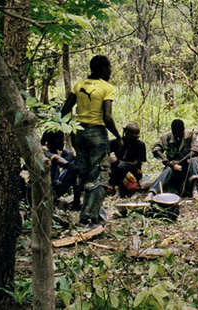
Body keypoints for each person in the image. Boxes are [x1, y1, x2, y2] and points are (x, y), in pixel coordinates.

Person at [62, 55, 123, 227]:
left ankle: (97, 217)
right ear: (103, 68)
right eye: (109, 67)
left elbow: (66, 109)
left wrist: (72, 129)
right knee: (100, 177)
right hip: (97, 132)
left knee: (87, 174)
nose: (111, 70)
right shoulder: (106, 87)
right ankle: (86, 217)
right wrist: (118, 137)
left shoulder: (79, 85)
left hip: (79, 133)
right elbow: (107, 117)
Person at [145, 119, 198, 200]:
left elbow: (195, 151)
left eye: (179, 133)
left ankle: (195, 191)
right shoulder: (167, 136)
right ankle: (152, 192)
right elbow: (156, 148)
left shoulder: (190, 136)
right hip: (173, 169)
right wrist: (164, 158)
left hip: (186, 168)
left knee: (193, 160)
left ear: (183, 130)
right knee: (167, 170)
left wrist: (180, 162)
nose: (177, 135)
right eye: (175, 133)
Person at [40, 131, 80, 208]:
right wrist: (69, 165)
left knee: (76, 161)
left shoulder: (54, 148)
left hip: (55, 185)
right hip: (48, 189)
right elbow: (56, 158)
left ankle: (76, 202)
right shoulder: (42, 151)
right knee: (74, 166)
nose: (63, 143)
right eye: (62, 140)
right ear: (56, 141)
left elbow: (72, 154)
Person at [110, 123, 146, 197]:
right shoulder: (117, 142)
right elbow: (104, 150)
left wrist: (117, 162)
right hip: (117, 169)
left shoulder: (140, 145)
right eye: (134, 136)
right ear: (127, 133)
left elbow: (136, 163)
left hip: (133, 171)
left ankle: (120, 189)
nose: (136, 138)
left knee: (121, 166)